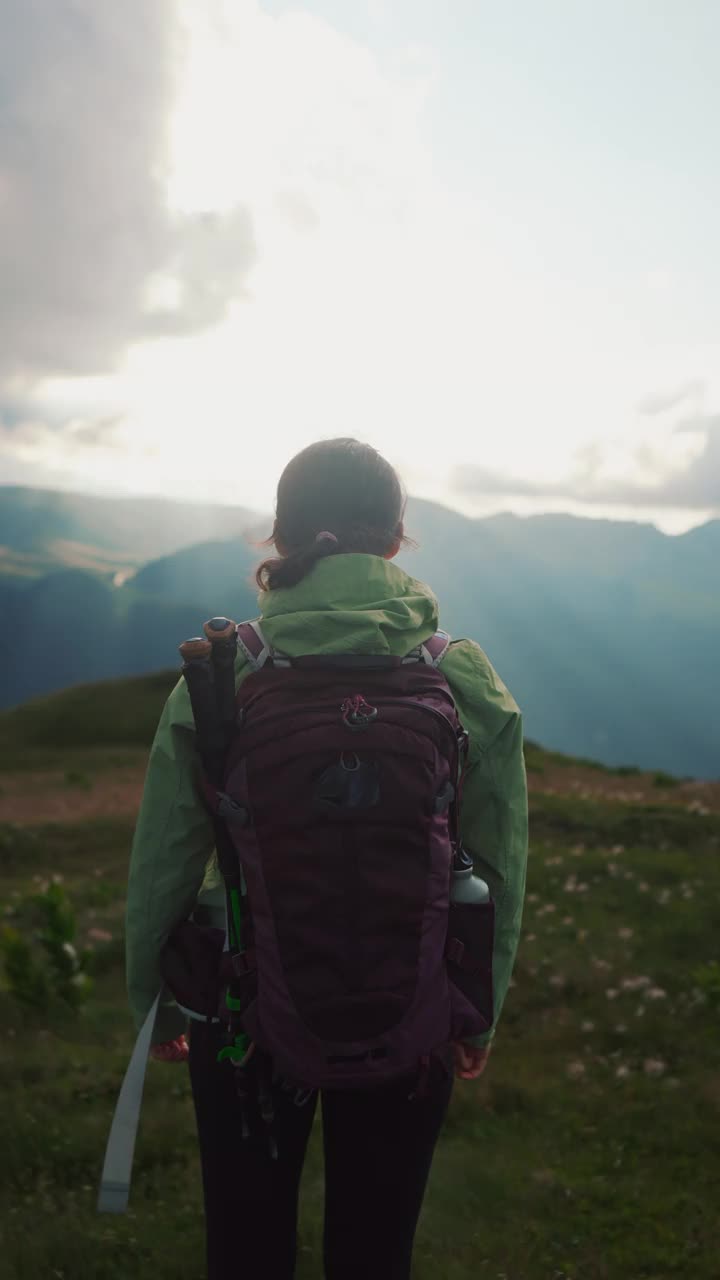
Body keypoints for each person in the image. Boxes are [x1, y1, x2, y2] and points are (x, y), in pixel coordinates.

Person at [126, 437, 528, 1279]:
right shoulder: (458, 674)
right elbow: (500, 860)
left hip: (243, 1014)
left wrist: (157, 1003)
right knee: (375, 1250)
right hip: (412, 1006)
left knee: (246, 1246)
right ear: (396, 539)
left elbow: (165, 855)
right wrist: (476, 1008)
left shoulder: (224, 672)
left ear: (279, 536)